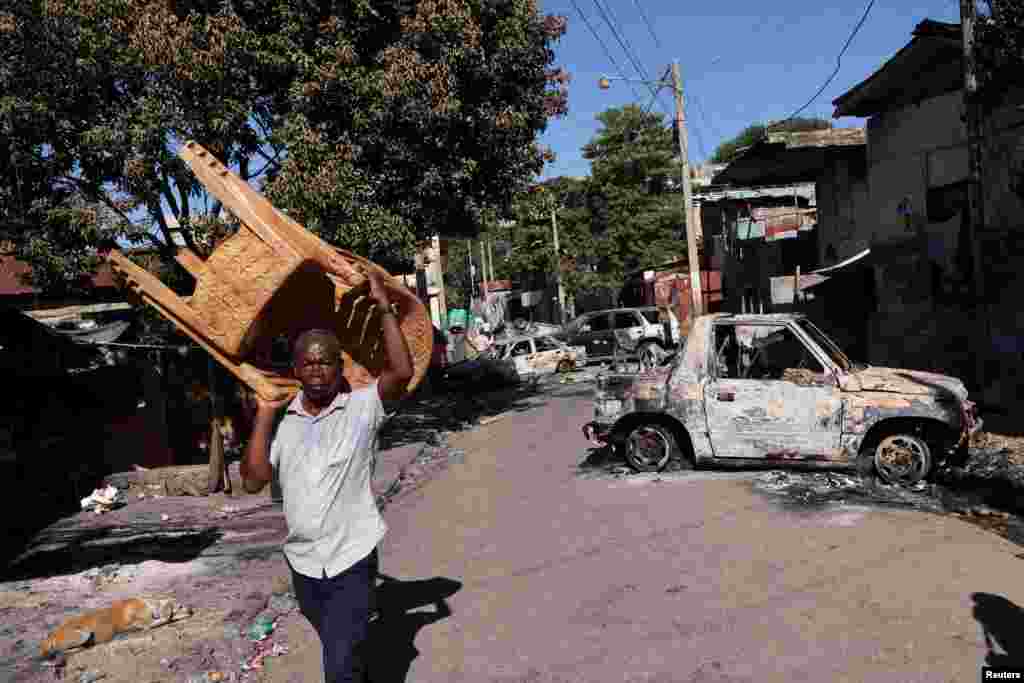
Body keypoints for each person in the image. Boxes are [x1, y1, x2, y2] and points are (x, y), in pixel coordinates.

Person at [240, 267, 415, 683]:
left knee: (337, 665)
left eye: (325, 362)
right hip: (304, 564)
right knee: (343, 650)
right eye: (308, 362)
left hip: (351, 557)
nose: (317, 369)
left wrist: (384, 308)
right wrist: (265, 411)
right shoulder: (286, 423)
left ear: (340, 366)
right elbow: (253, 480)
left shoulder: (361, 409)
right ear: (297, 369)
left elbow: (402, 373)